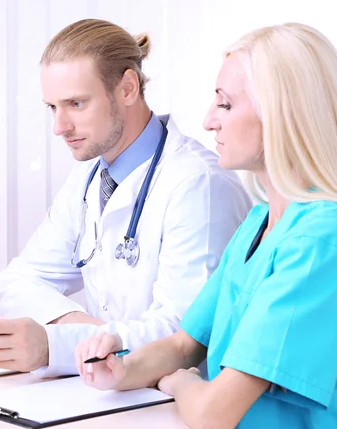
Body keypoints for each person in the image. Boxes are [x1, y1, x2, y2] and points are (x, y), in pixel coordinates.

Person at [76, 22, 337, 428]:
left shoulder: (319, 239)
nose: (208, 120)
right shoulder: (260, 221)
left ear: (284, 114)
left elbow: (214, 414)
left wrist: (182, 383)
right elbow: (185, 345)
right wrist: (122, 365)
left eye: (226, 104)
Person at [0, 19, 252, 376]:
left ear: (127, 88)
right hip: (107, 390)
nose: (59, 127)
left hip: (173, 403)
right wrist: (85, 329)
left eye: (76, 103)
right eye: (52, 107)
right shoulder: (88, 178)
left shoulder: (199, 184)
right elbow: (17, 280)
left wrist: (57, 344)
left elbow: (185, 336)